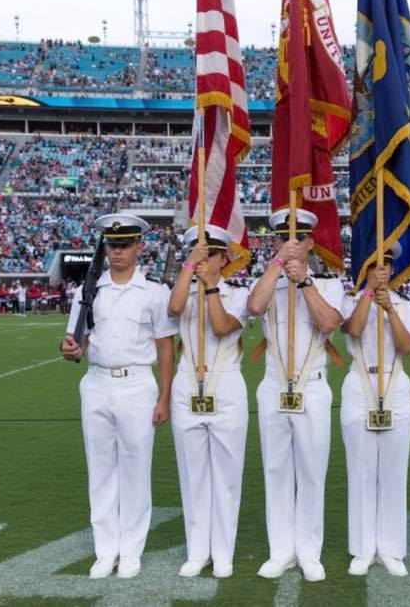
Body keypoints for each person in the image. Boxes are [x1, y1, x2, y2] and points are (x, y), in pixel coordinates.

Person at [59, 212, 177, 580]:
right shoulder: (88, 290)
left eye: (125, 244)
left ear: (139, 247)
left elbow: (165, 349)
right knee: (101, 471)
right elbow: (77, 341)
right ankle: (105, 549)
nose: (118, 251)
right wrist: (70, 348)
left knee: (135, 471)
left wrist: (164, 398)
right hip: (96, 383)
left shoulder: (155, 291)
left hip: (137, 385)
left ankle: (130, 551)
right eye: (112, 244)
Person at [246, 208, 344, 583]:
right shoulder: (267, 280)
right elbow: (254, 307)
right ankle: (280, 550)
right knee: (276, 471)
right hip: (274, 385)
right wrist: (276, 265)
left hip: (312, 387)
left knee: (311, 472)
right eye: (284, 237)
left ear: (311, 243)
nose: (292, 243)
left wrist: (304, 282)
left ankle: (309, 551)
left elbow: (330, 323)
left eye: (299, 238)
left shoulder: (329, 283)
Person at [167, 225, 250, 579]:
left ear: (224, 259)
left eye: (212, 254)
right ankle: (197, 550)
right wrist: (189, 268)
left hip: (226, 387)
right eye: (201, 253)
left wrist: (210, 287)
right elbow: (172, 308)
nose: (206, 260)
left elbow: (220, 326)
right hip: (187, 386)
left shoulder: (238, 294)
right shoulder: (183, 292)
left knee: (226, 476)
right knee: (193, 474)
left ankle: (223, 552)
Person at [339, 242, 410, 577]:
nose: (381, 270)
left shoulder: (406, 304)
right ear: (365, 269)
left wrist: (391, 309)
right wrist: (370, 294)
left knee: (393, 472)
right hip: (360, 380)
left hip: (395, 381)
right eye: (374, 265)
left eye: (386, 265)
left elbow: (406, 347)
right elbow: (353, 330)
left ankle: (391, 548)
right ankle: (362, 548)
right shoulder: (350, 300)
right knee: (361, 470)